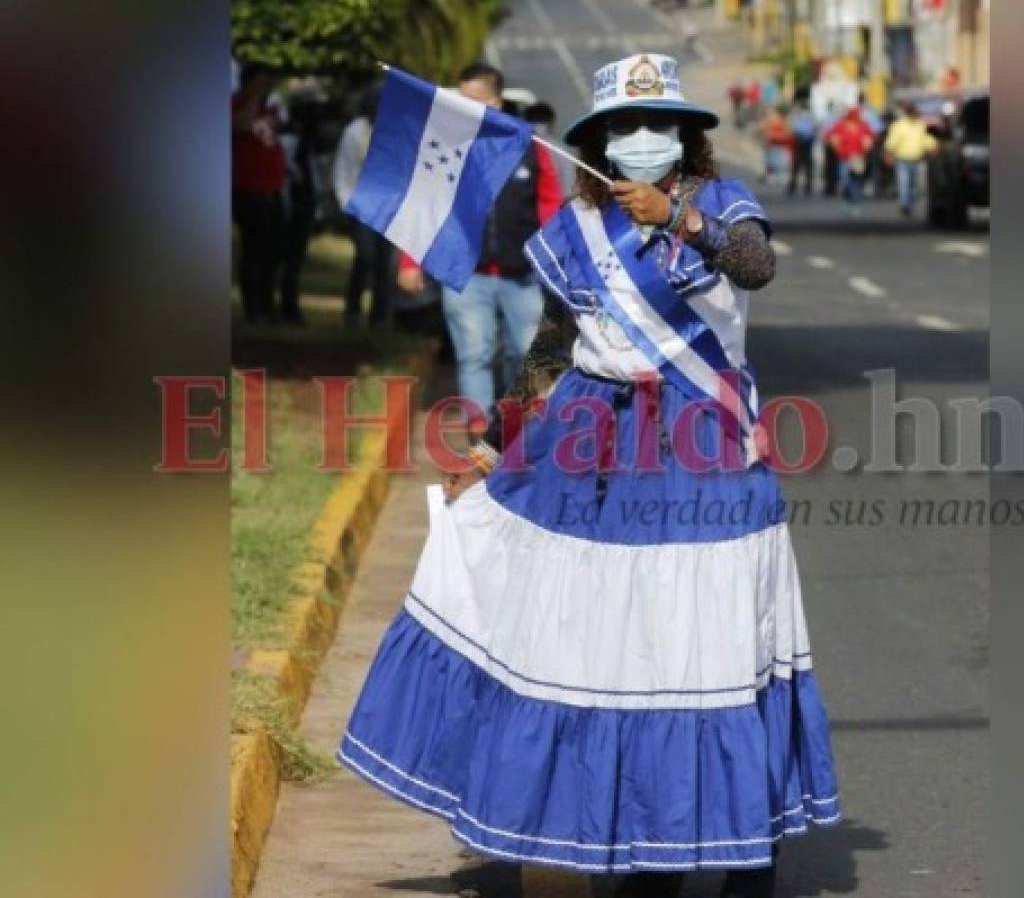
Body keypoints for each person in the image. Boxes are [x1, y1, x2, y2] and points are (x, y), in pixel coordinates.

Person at [341, 53, 840, 898]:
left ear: (686, 136)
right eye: (623, 129)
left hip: (705, 449)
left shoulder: (721, 204)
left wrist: (681, 221)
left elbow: (754, 265)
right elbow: (549, 352)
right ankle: (642, 842)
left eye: (658, 126)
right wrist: (494, 447)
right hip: (591, 447)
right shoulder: (575, 228)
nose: (642, 141)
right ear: (599, 143)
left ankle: (741, 846)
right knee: (617, 649)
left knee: (710, 642)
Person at [398, 63, 562, 430]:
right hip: (465, 275)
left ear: (497, 101)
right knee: (474, 354)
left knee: (525, 352)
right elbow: (424, 207)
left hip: (523, 276)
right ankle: (479, 430)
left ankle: (514, 421)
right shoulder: (446, 150)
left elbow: (550, 207)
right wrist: (409, 262)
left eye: (476, 101)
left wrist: (557, 260)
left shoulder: (530, 149)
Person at [334, 87, 395, 328]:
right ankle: (353, 310)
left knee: (386, 264)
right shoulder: (354, 132)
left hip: (389, 207)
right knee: (365, 257)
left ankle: (379, 317)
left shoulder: (395, 132)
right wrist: (346, 203)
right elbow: (343, 170)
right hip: (362, 206)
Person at [232, 63, 286, 323]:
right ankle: (252, 306)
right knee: (253, 249)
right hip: (246, 188)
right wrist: (252, 97)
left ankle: (267, 303)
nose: (266, 88)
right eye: (261, 82)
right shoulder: (236, 105)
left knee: (272, 250)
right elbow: (239, 126)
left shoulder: (270, 109)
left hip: (272, 187)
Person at [277, 92, 320, 326]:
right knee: (286, 259)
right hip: (291, 204)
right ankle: (284, 303)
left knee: (296, 259)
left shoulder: (307, 146)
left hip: (305, 204)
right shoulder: (290, 143)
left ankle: (289, 302)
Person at [884, 100, 939, 216]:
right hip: (902, 159)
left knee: (915, 185)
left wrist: (933, 146)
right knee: (904, 183)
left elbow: (924, 138)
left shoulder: (920, 125)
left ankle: (911, 204)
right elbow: (892, 141)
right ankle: (905, 205)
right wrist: (889, 154)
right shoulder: (899, 126)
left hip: (917, 159)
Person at [825, 104, 876, 211]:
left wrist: (867, 146)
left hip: (858, 157)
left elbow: (869, 139)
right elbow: (831, 137)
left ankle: (854, 200)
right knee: (845, 179)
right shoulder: (840, 125)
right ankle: (850, 197)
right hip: (844, 157)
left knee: (856, 179)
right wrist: (836, 144)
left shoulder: (863, 126)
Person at [787, 100, 817, 196]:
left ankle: (793, 185)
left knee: (796, 165)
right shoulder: (811, 117)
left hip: (799, 141)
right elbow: (814, 130)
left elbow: (794, 129)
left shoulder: (798, 117)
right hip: (807, 142)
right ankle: (807, 186)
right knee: (807, 166)